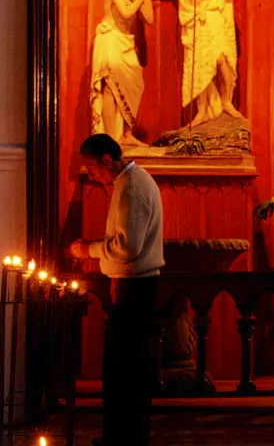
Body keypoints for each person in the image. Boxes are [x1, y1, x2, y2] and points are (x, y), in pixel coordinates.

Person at [69, 134, 164, 446]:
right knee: (123, 368)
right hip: (130, 284)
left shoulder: (131, 186)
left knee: (125, 371)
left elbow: (128, 247)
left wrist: (88, 250)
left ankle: (125, 437)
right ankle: (122, 434)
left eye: (92, 167)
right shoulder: (130, 182)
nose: (91, 174)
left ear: (107, 160)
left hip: (133, 287)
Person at [163, 0, 241, 126]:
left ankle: (226, 102)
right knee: (199, 65)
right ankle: (202, 111)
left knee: (222, 59)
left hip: (212, 14)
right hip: (195, 18)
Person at [90, 0, 154, 148]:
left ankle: (126, 134)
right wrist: (139, 0)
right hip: (110, 37)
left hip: (126, 42)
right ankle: (111, 138)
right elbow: (126, 12)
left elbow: (149, 18)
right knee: (110, 86)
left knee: (135, 84)